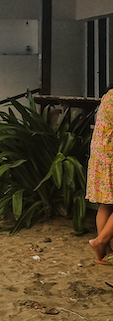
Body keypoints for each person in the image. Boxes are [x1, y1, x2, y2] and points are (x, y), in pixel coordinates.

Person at [88, 84, 113, 264]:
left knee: (107, 204)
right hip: (111, 155)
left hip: (101, 155)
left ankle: (104, 253)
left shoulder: (108, 95)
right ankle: (100, 241)